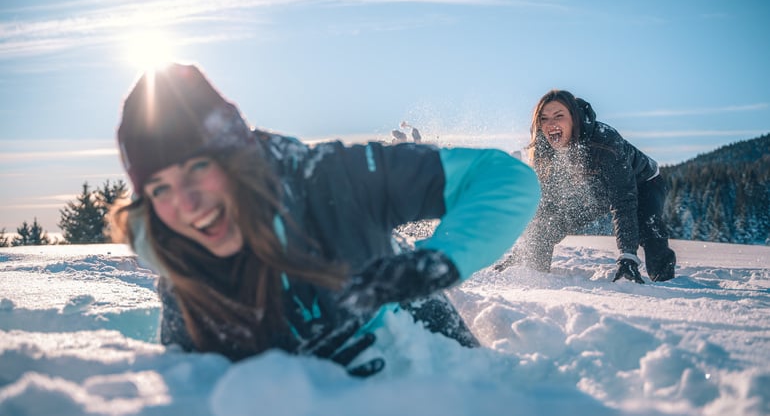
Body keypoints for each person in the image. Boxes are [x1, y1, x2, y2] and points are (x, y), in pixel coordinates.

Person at [112, 63, 540, 377]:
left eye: (198, 168)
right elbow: (197, 390)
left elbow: (503, 178)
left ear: (236, 158)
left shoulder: (333, 177)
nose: (186, 204)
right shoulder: (182, 267)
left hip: (434, 366)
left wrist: (432, 264)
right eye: (160, 188)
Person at [515, 89, 676, 283]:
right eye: (544, 119)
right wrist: (525, 250)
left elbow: (623, 201)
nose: (551, 124)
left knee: (648, 230)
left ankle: (665, 282)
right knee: (551, 222)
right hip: (594, 188)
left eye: (559, 116)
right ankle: (534, 272)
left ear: (574, 118)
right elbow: (544, 205)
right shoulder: (545, 150)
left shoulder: (605, 141)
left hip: (643, 183)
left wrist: (628, 257)